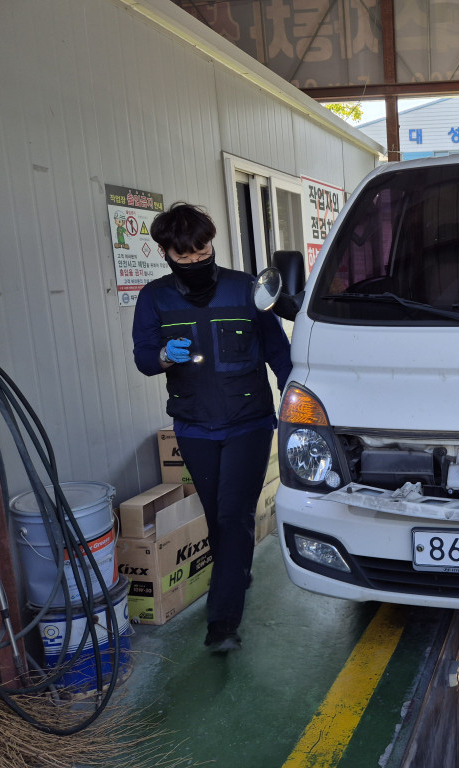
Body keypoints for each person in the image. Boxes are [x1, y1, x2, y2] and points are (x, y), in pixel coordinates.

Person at [132, 202, 292, 653]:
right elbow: (144, 357)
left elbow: (278, 351)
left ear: (211, 245)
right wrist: (165, 356)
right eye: (184, 257)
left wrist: (296, 401)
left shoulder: (246, 289)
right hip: (194, 425)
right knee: (217, 516)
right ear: (165, 253)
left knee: (233, 514)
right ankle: (236, 572)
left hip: (249, 422)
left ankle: (222, 623)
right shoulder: (154, 298)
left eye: (203, 253)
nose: (196, 262)